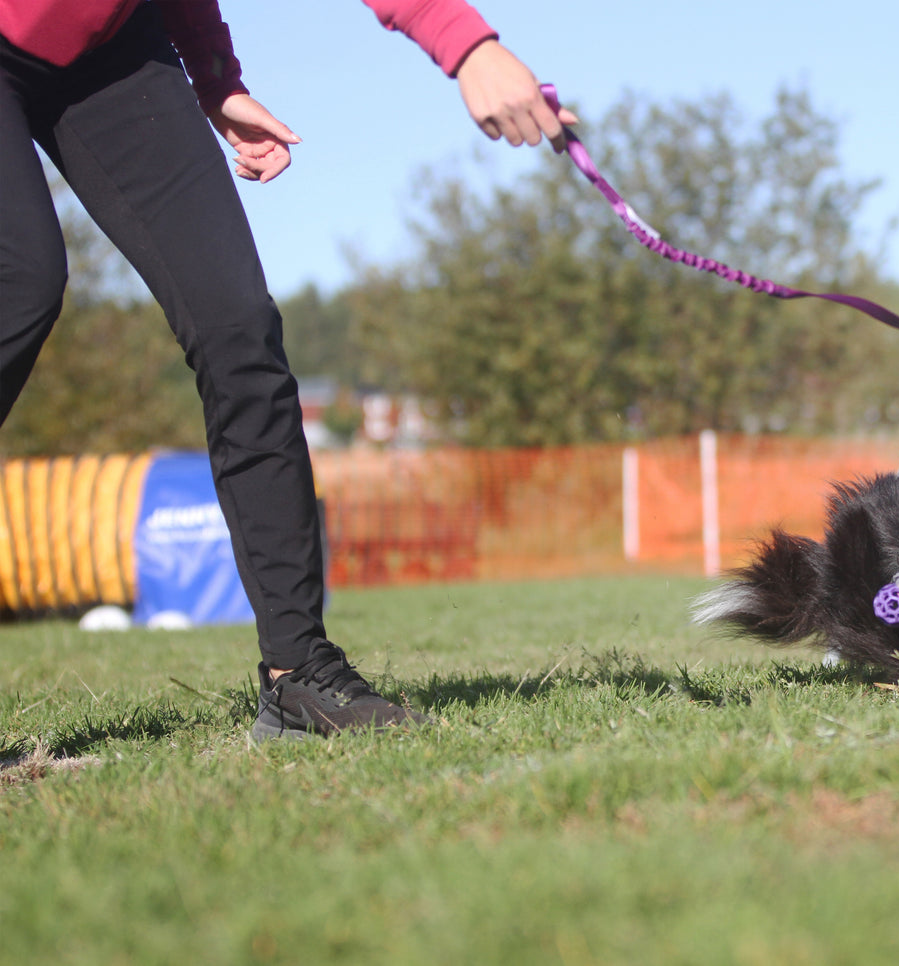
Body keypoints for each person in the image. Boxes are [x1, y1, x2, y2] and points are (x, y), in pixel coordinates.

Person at [0, 0, 577, 740]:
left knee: (238, 328)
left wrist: (216, 79)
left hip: (110, 48)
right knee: (20, 279)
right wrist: (470, 47)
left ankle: (297, 674)